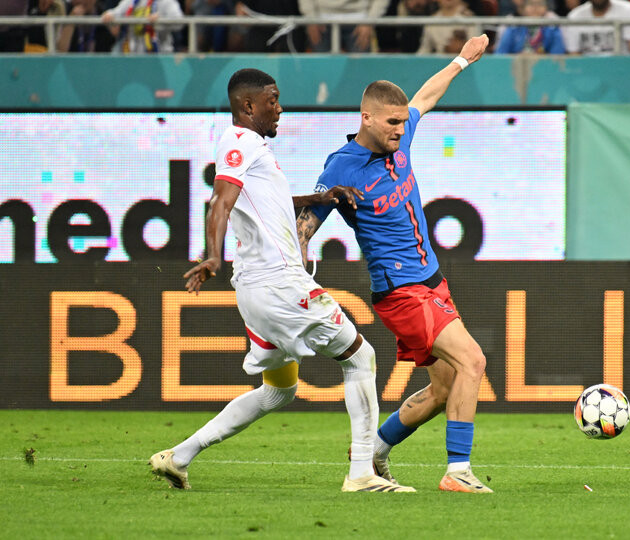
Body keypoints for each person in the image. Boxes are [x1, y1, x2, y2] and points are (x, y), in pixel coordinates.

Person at [148, 68, 414, 494]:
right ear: (248, 105)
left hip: (255, 291)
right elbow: (220, 201)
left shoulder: (252, 149)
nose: (280, 108)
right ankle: (362, 473)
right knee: (360, 358)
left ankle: (178, 457)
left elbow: (264, 202)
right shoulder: (239, 141)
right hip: (279, 284)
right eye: (272, 100)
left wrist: (318, 198)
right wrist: (213, 255)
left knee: (278, 392)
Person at [296, 35, 494, 493]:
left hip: (432, 282)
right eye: (392, 122)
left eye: (403, 123)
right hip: (401, 293)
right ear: (365, 118)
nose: (401, 130)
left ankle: (374, 452)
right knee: (473, 361)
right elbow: (307, 223)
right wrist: (298, 256)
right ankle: (457, 472)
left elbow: (425, 96)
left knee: (444, 389)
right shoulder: (341, 168)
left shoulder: (400, 137)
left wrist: (462, 61)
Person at [298, 0, 389, 52]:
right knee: (321, 70)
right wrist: (311, 17)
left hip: (360, 20)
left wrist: (370, 20)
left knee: (361, 70)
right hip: (320, 20)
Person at [563, 0, 630, 55]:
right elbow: (574, 55)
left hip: (622, 68)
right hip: (588, 70)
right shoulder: (574, 16)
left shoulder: (629, 11)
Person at [101, 0, 183, 53]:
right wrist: (109, 14)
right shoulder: (130, 1)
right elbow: (116, 12)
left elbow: (179, 22)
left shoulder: (167, 1)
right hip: (134, 54)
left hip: (160, 54)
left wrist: (161, 19)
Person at [495, 0, 565, 54]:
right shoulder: (513, 28)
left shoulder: (552, 29)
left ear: (546, 8)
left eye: (540, 4)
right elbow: (501, 54)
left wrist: (541, 58)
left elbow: (558, 55)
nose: (535, 8)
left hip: (544, 66)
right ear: (523, 8)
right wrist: (518, 58)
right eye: (531, 4)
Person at [416, 0, 481, 54]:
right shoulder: (431, 21)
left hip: (464, 62)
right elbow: (424, 49)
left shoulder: (470, 18)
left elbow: (476, 49)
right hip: (439, 62)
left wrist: (461, 48)